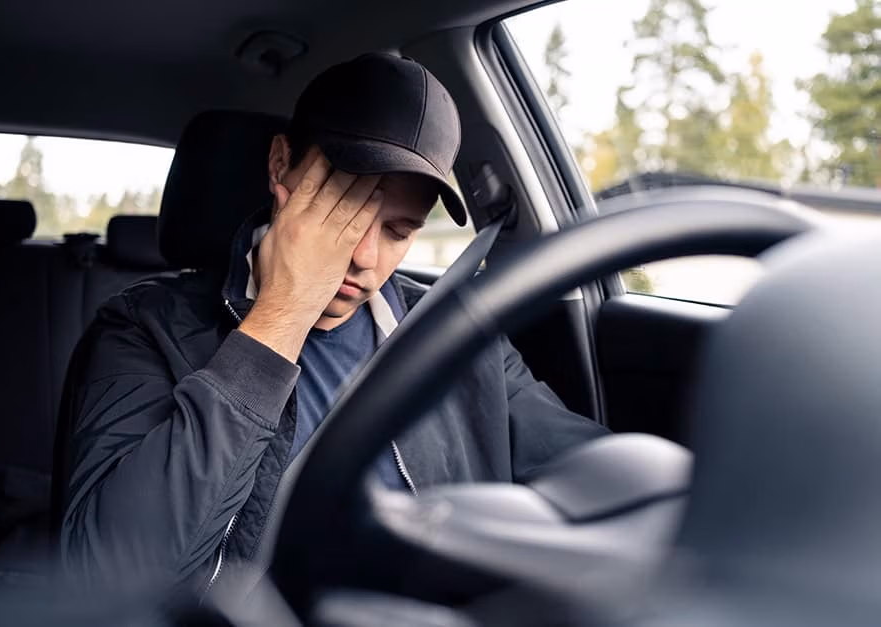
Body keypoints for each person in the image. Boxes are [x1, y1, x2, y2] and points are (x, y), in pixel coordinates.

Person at [56, 53, 608, 594]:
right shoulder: (143, 327)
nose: (365, 256)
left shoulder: (458, 333)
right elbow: (109, 575)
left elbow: (596, 477)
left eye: (397, 230)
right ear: (280, 166)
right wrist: (282, 313)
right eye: (341, 212)